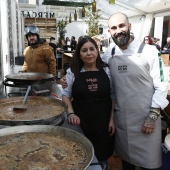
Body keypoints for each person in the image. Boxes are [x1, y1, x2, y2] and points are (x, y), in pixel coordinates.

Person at [61, 13, 169, 170]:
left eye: (121, 26)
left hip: (146, 117)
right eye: (114, 28)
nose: (118, 30)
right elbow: (92, 67)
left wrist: (152, 116)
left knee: (150, 165)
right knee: (126, 162)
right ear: (109, 31)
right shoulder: (110, 53)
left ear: (129, 26)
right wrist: (68, 77)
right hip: (122, 120)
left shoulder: (150, 51)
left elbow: (161, 85)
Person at [61, 36, 115, 168]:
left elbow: (113, 96)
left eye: (92, 49)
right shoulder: (72, 72)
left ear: (97, 51)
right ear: (79, 54)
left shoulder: (108, 70)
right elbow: (65, 95)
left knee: (102, 157)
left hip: (103, 122)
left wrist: (112, 118)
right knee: (80, 156)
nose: (89, 53)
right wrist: (71, 114)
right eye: (84, 50)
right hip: (80, 122)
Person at [22, 25, 61, 97]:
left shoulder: (46, 49)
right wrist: (22, 73)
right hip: (31, 82)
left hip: (43, 82)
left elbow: (52, 63)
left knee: (45, 102)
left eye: (33, 35)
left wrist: (52, 78)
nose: (31, 38)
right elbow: (25, 63)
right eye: (29, 36)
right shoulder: (27, 50)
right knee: (33, 101)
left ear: (37, 36)